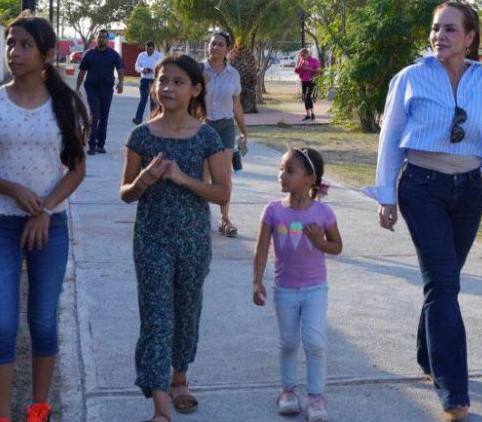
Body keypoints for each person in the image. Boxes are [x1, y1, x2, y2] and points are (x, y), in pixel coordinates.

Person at [365, 1, 482, 422]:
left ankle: (427, 356)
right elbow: (389, 139)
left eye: (451, 29)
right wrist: (386, 195)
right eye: (436, 28)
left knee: (443, 283)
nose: (440, 36)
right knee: (443, 285)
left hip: (468, 191)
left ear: (470, 38)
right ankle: (454, 392)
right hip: (422, 188)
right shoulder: (410, 78)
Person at [0, 13, 89, 422]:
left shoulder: (66, 103)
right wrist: (16, 192)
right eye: (10, 43)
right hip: (0, 224)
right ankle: (1, 416)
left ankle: (39, 409)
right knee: (2, 324)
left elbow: (76, 169)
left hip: (49, 228)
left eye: (24, 45)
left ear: (47, 55)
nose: (14, 52)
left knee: (42, 321)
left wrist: (45, 209)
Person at [119, 54, 232, 422]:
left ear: (195, 89)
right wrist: (145, 180)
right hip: (151, 237)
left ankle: (179, 375)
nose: (167, 87)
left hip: (193, 239)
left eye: (178, 81)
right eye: (162, 80)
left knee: (186, 311)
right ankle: (160, 404)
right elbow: (126, 193)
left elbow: (222, 194)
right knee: (155, 317)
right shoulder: (141, 135)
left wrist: (183, 179)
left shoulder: (208, 137)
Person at [252, 147, 342, 422]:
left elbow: (336, 246)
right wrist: (257, 281)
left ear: (309, 179)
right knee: (289, 342)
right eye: (281, 168)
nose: (282, 175)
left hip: (315, 289)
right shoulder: (273, 211)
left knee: (315, 342)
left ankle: (315, 396)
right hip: (285, 290)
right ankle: (287, 391)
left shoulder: (323, 213)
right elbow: (261, 249)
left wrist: (319, 242)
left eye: (290, 170)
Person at [203, 30, 249, 237]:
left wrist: (243, 131)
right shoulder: (198, 70)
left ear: (227, 49)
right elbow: (186, 99)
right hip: (203, 126)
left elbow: (236, 104)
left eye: (221, 44)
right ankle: (201, 218)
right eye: (213, 43)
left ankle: (224, 219)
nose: (216, 47)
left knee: (224, 174)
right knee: (203, 173)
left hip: (225, 126)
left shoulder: (233, 74)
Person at [74, 28, 124, 155]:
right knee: (95, 114)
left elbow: (120, 69)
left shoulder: (113, 54)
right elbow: (82, 72)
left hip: (107, 89)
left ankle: (101, 145)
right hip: (92, 88)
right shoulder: (89, 54)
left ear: (107, 40)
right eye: (99, 37)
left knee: (104, 117)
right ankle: (91, 145)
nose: (101, 39)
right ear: (96, 39)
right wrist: (77, 87)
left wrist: (121, 83)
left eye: (104, 37)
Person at [133, 41, 165, 125]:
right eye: (147, 49)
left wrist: (153, 70)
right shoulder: (141, 55)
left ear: (154, 48)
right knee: (143, 99)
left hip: (154, 80)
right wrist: (143, 69)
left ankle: (152, 119)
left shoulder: (159, 56)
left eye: (150, 49)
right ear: (145, 48)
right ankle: (138, 118)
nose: (149, 51)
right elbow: (137, 67)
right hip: (144, 80)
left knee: (153, 100)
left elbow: (163, 67)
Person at [294, 48, 321, 121]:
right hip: (304, 80)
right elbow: (297, 71)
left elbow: (318, 71)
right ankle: (308, 115)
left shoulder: (314, 60)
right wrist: (298, 67)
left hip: (311, 80)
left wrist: (309, 69)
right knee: (305, 98)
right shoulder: (301, 61)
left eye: (303, 55)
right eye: (301, 55)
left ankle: (312, 114)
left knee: (307, 96)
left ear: (307, 54)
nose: (302, 56)